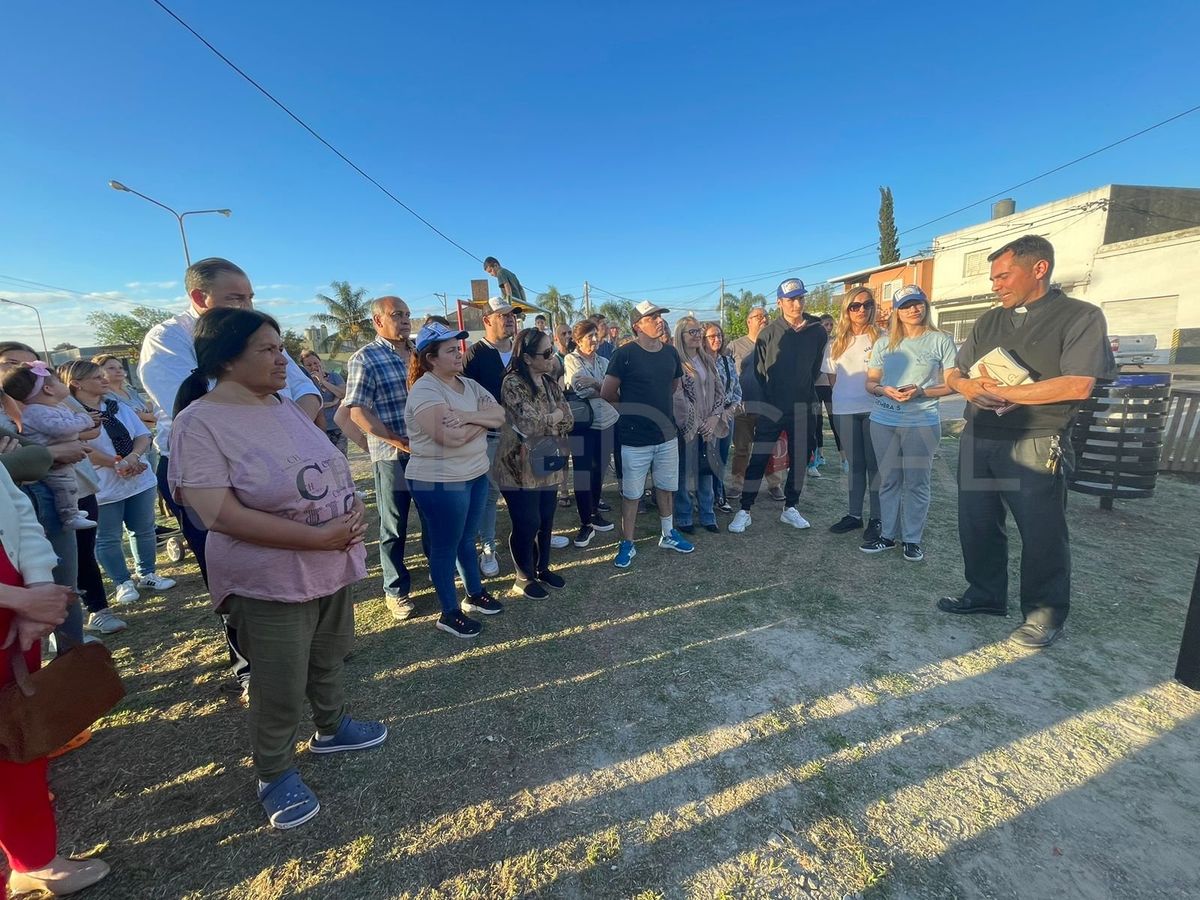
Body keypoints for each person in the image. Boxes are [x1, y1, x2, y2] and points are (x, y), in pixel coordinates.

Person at [169, 308, 385, 830]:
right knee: (279, 680)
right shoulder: (199, 423)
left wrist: (348, 510)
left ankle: (332, 728)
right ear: (225, 358)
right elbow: (217, 512)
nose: (281, 358)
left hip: (329, 561)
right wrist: (315, 536)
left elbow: (325, 468)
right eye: (267, 350)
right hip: (269, 577)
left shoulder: (281, 406)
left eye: (280, 346)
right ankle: (275, 771)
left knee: (329, 653)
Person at [139, 257, 320, 695]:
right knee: (236, 567)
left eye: (250, 297)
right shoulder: (168, 339)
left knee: (293, 557)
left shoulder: (258, 332)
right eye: (235, 297)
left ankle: (303, 649)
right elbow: (203, 404)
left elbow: (305, 390)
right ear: (200, 298)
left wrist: (287, 435)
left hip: (282, 462)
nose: (246, 305)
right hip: (210, 467)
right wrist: (276, 426)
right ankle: (250, 665)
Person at [938, 235, 1116, 649]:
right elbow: (954, 372)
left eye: (1003, 275)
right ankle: (984, 594)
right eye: (993, 278)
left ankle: (1043, 614)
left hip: (1037, 440)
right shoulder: (989, 320)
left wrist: (1005, 394)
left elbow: (1079, 383)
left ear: (1039, 268)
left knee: (1041, 531)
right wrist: (966, 386)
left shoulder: (1080, 316)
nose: (995, 285)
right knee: (977, 523)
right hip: (979, 436)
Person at [0, 466, 111, 896]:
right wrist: (20, 598)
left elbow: (15, 510)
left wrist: (38, 591)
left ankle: (34, 859)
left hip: (13, 617)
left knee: (21, 736)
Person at [405, 321, 507, 637]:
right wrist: (482, 421)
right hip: (440, 481)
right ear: (430, 358)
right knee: (445, 545)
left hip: (474, 473)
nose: (459, 354)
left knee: (467, 537)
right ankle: (449, 612)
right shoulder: (426, 390)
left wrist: (466, 417)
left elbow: (501, 415)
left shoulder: (468, 385)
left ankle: (474, 594)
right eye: (450, 350)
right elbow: (451, 438)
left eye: (458, 347)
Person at [62, 360, 177, 603]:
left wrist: (132, 457)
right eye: (97, 377)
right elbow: (79, 446)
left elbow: (143, 434)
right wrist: (116, 463)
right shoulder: (71, 417)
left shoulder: (116, 406)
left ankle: (147, 573)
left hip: (138, 477)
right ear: (76, 384)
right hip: (102, 485)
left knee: (143, 529)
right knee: (108, 537)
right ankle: (122, 582)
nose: (104, 379)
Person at [343, 297, 428, 621]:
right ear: (378, 321)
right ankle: (396, 590)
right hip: (392, 456)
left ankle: (440, 572)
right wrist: (395, 440)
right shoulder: (365, 358)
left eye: (407, 314)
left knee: (434, 518)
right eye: (397, 315)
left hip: (429, 453)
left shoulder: (419, 354)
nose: (406, 320)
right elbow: (357, 411)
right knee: (394, 526)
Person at [861, 286, 958, 561]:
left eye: (918, 303)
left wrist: (922, 392)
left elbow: (953, 384)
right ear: (897, 312)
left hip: (922, 420)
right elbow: (871, 382)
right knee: (889, 480)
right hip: (883, 418)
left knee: (917, 481)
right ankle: (887, 536)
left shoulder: (941, 340)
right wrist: (883, 390)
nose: (913, 309)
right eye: (906, 306)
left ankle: (912, 539)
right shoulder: (883, 343)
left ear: (926, 306)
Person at [729, 278, 827, 534]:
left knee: (799, 459)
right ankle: (745, 509)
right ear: (780, 302)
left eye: (800, 298)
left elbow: (814, 369)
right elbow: (760, 373)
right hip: (772, 408)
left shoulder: (817, 331)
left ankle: (791, 507)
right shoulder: (769, 333)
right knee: (759, 457)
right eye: (791, 299)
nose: (797, 303)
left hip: (804, 407)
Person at [600, 301, 694, 568]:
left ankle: (668, 534)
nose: (659, 320)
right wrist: (632, 410)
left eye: (659, 316)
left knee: (666, 488)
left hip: (666, 436)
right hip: (634, 438)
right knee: (632, 494)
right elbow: (607, 393)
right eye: (651, 317)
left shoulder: (670, 354)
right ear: (637, 325)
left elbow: (674, 385)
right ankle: (627, 543)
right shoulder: (624, 354)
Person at [494, 329, 574, 598]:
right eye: (547, 353)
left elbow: (570, 418)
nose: (552, 357)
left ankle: (542, 568)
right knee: (527, 521)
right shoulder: (513, 383)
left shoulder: (550, 383)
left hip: (548, 458)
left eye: (552, 351)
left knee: (546, 519)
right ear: (527, 357)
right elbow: (529, 424)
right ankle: (523, 576)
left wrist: (551, 418)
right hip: (518, 465)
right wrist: (554, 416)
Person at [0, 363, 96, 531]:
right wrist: (85, 420)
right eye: (58, 381)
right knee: (64, 486)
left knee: (69, 484)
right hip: (50, 464)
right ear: (48, 389)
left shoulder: (52, 407)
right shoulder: (36, 411)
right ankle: (69, 516)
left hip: (60, 458)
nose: (62, 382)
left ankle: (71, 510)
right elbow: (61, 428)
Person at [463, 297, 518, 577]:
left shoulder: (521, 350)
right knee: (489, 495)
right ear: (487, 320)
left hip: (524, 435)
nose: (510, 319)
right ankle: (488, 547)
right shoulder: (474, 354)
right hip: (490, 437)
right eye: (503, 315)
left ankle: (530, 536)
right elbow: (464, 396)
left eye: (512, 315)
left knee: (526, 488)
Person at [826, 287, 884, 543]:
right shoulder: (835, 343)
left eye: (867, 304)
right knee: (855, 466)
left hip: (876, 409)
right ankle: (854, 515)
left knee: (876, 466)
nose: (862, 310)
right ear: (846, 310)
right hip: (844, 410)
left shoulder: (884, 338)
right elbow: (832, 379)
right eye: (855, 306)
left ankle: (877, 518)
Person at [562, 319, 617, 546]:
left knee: (599, 471)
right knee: (583, 473)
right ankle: (585, 522)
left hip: (607, 422)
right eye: (589, 336)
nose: (594, 340)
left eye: (596, 335)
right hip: (583, 424)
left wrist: (596, 385)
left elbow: (613, 391)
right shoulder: (570, 359)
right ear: (578, 340)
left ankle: (594, 512)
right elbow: (578, 387)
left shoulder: (605, 360)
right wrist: (601, 386)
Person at [672, 317, 724, 534]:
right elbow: (678, 397)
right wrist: (698, 423)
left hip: (709, 426)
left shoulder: (708, 361)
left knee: (706, 470)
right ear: (680, 336)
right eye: (691, 332)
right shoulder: (677, 363)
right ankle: (684, 516)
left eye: (698, 332)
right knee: (684, 472)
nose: (696, 336)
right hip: (688, 428)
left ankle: (707, 514)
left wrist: (713, 419)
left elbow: (720, 390)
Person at [726, 307, 784, 502]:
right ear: (748, 321)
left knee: (770, 448)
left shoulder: (776, 344)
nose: (763, 319)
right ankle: (737, 484)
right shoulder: (734, 346)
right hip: (743, 407)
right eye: (758, 316)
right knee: (742, 449)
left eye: (766, 316)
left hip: (769, 407)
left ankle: (774, 484)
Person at [704, 321, 742, 512]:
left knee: (721, 457)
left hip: (726, 415)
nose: (717, 339)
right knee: (706, 458)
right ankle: (705, 497)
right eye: (712, 336)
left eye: (719, 335)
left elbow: (737, 391)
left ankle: (719, 495)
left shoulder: (728, 361)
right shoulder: (698, 362)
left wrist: (729, 411)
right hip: (706, 416)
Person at [807, 314, 841, 476]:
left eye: (830, 324)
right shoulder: (814, 342)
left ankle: (844, 458)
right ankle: (819, 455)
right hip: (815, 387)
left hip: (830, 387)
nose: (828, 328)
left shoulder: (837, 343)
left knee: (836, 421)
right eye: (825, 324)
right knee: (817, 423)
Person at [299, 349, 350, 456]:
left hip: (338, 426)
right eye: (309, 365)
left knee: (341, 457)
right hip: (318, 428)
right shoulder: (304, 383)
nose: (313, 367)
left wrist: (322, 381)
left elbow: (342, 394)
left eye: (315, 363)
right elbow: (315, 403)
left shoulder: (334, 377)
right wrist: (333, 402)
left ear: (320, 362)